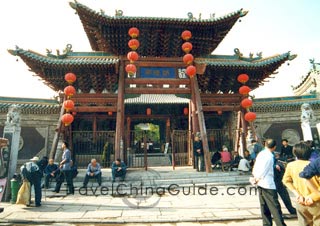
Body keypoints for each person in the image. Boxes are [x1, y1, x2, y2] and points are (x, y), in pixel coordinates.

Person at [283, 142, 320, 225]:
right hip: (316, 202)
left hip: (301, 201)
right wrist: (313, 197)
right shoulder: (314, 165)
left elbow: (286, 180)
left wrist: (297, 194)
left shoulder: (291, 165)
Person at [252, 139, 287, 226]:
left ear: (265, 145)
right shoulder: (269, 156)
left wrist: (255, 177)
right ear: (274, 147)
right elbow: (265, 168)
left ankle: (266, 224)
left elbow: (256, 166)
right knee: (275, 207)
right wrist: (258, 178)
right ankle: (280, 224)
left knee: (264, 206)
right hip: (267, 183)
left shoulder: (261, 153)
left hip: (260, 183)